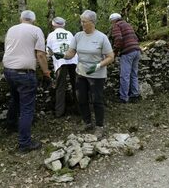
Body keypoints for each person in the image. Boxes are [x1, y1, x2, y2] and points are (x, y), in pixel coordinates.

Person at [54, 10, 114, 139]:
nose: (81, 24)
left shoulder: (101, 37)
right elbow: (71, 53)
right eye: (81, 21)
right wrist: (62, 55)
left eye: (84, 21)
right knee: (81, 98)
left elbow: (110, 57)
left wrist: (98, 65)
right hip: (80, 72)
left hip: (97, 74)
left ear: (92, 22)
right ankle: (87, 123)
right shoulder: (78, 36)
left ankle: (99, 126)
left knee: (97, 100)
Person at [3, 10, 50, 152]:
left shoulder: (11, 29)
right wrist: (46, 72)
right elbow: (41, 54)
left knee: (15, 99)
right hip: (24, 73)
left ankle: (11, 125)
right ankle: (24, 143)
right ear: (33, 20)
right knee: (27, 109)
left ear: (21, 18)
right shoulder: (36, 30)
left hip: (8, 70)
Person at [46, 17, 78, 118]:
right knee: (76, 85)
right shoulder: (69, 33)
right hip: (73, 60)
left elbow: (48, 51)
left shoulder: (51, 35)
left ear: (53, 24)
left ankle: (59, 111)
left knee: (60, 86)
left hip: (60, 61)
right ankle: (80, 109)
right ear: (63, 24)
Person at [109, 13, 141, 103]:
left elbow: (118, 39)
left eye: (111, 22)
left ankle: (124, 97)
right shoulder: (128, 24)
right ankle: (135, 94)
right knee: (134, 74)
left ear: (113, 20)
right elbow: (135, 37)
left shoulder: (116, 25)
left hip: (128, 52)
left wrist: (114, 52)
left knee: (125, 75)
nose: (111, 24)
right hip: (136, 50)